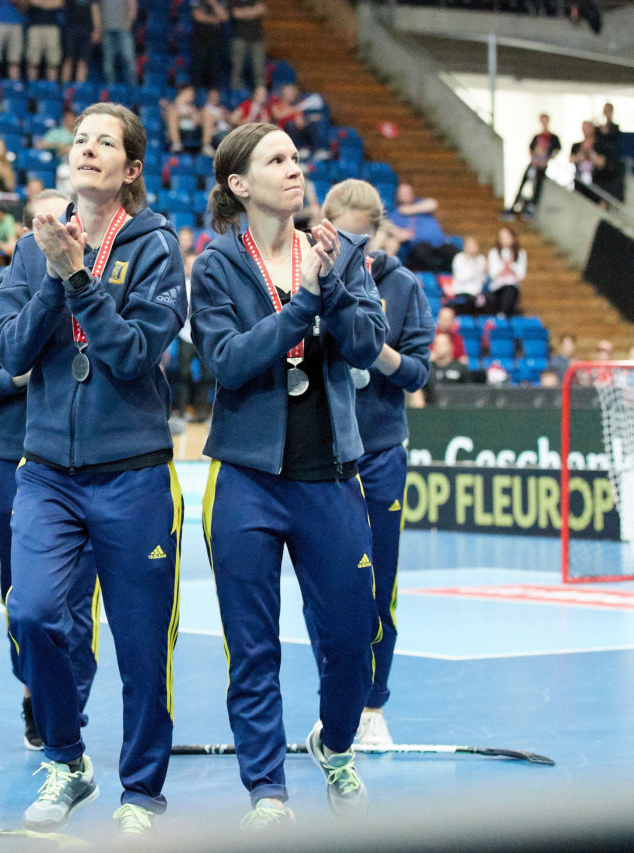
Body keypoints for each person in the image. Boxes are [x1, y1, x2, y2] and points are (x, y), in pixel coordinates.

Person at [0, 103, 185, 838]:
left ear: (131, 169)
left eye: (106, 142)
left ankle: (142, 789)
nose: (88, 149)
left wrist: (79, 281)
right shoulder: (32, 245)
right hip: (46, 471)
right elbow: (9, 353)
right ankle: (68, 759)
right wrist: (55, 271)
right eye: (80, 139)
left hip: (132, 471)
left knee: (141, 643)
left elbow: (134, 356)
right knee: (33, 612)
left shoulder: (157, 247)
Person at [190, 122, 385, 828]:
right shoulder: (215, 264)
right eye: (276, 158)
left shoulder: (338, 251)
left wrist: (331, 284)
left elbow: (366, 346)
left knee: (350, 635)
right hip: (245, 477)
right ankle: (266, 790)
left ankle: (335, 744)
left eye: (297, 157)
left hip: (330, 477)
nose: (294, 167)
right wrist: (303, 304)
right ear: (240, 184)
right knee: (253, 644)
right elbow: (228, 360)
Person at [0, 188, 99, 752]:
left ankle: (70, 713)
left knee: (79, 602)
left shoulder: (96, 288)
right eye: (49, 219)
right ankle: (31, 693)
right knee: (22, 598)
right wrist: (17, 378)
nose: (63, 225)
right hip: (14, 463)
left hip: (82, 464)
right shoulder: (2, 296)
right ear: (27, 234)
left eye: (70, 215)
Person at [322, 178, 434, 747]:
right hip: (321, 456)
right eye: (344, 238)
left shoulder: (403, 285)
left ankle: (372, 706)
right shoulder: (305, 272)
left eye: (363, 239)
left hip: (381, 453)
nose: (353, 250)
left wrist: (377, 354)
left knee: (378, 585)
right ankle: (334, 704)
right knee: (330, 590)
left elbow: (418, 373)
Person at [510, 113, 560, 217]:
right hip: (534, 164)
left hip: (542, 166)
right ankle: (514, 205)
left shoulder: (553, 137)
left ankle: (532, 206)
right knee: (524, 182)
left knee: (538, 185)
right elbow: (531, 149)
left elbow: (556, 150)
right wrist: (534, 159)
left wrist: (546, 159)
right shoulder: (537, 136)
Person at [486, 225, 525, 317]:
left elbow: (521, 276)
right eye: (501, 237)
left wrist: (510, 267)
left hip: (512, 289)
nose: (504, 240)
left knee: (510, 290)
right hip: (497, 288)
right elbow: (492, 274)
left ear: (513, 238)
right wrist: (504, 268)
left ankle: (503, 315)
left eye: (507, 237)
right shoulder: (494, 253)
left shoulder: (520, 253)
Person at [447, 235, 485, 315]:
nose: (471, 248)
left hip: (477, 292)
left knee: (489, 299)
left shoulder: (481, 259)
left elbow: (482, 279)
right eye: (469, 246)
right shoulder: (458, 258)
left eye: (473, 245)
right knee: (471, 300)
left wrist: (485, 271)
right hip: (462, 290)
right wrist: (472, 262)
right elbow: (461, 278)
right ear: (464, 247)